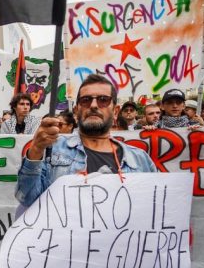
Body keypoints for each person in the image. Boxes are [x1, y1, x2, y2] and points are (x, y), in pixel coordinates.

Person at [16, 75, 157, 208]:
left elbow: (153, 208)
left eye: (103, 99)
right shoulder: (51, 149)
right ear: (76, 111)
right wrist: (35, 150)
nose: (94, 105)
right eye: (86, 100)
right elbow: (27, 198)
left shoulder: (140, 159)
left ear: (115, 111)